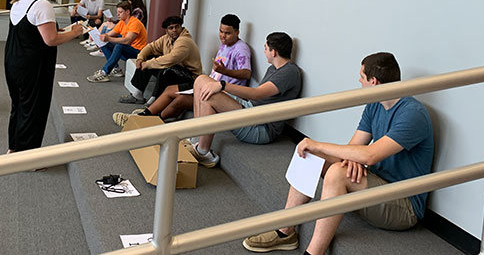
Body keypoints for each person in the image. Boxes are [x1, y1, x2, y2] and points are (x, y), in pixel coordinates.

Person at [242, 52, 434, 255]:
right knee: (312, 155)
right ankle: (285, 232)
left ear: (374, 81)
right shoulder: (374, 105)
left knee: (335, 171)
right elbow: (354, 149)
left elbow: (369, 155)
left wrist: (319, 145)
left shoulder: (413, 113)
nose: (359, 81)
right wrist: (321, 150)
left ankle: (313, 253)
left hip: (403, 206)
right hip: (375, 184)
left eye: (361, 77)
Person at [185, 32, 301, 167]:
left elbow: (257, 94)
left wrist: (222, 85)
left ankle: (203, 152)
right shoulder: (273, 69)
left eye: (265, 48)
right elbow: (255, 98)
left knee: (210, 96)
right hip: (251, 110)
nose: (264, 51)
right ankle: (197, 137)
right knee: (201, 80)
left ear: (273, 52)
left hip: (261, 126)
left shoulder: (289, 72)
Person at [112, 14, 251, 126]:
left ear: (237, 32)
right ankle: (143, 115)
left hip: (220, 92)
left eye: (227, 33)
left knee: (177, 94)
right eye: (221, 31)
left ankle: (149, 121)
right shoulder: (225, 45)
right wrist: (141, 58)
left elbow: (246, 73)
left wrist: (225, 72)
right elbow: (152, 47)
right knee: (169, 89)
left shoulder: (241, 49)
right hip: (209, 86)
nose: (223, 36)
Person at [4, 0, 83, 153]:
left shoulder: (19, 2)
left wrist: (62, 31)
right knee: (34, 110)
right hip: (33, 67)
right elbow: (51, 39)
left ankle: (14, 149)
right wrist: (75, 32)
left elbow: (32, 32)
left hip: (13, 62)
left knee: (19, 107)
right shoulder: (42, 5)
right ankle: (29, 156)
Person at [119, 16, 203, 106]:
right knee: (148, 57)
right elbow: (151, 47)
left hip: (190, 77)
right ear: (166, 30)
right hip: (176, 69)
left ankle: (154, 101)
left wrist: (148, 64)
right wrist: (141, 58)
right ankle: (138, 95)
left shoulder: (185, 41)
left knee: (166, 70)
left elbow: (171, 59)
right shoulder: (166, 38)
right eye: (171, 28)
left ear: (181, 27)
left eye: (177, 26)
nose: (174, 30)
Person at [87, 1, 147, 83]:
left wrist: (108, 38)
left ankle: (105, 72)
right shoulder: (122, 22)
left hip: (138, 52)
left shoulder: (135, 23)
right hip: (128, 49)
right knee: (104, 43)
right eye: (117, 12)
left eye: (120, 12)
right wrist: (100, 38)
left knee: (120, 45)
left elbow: (127, 40)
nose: (118, 14)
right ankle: (116, 69)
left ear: (128, 12)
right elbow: (109, 34)